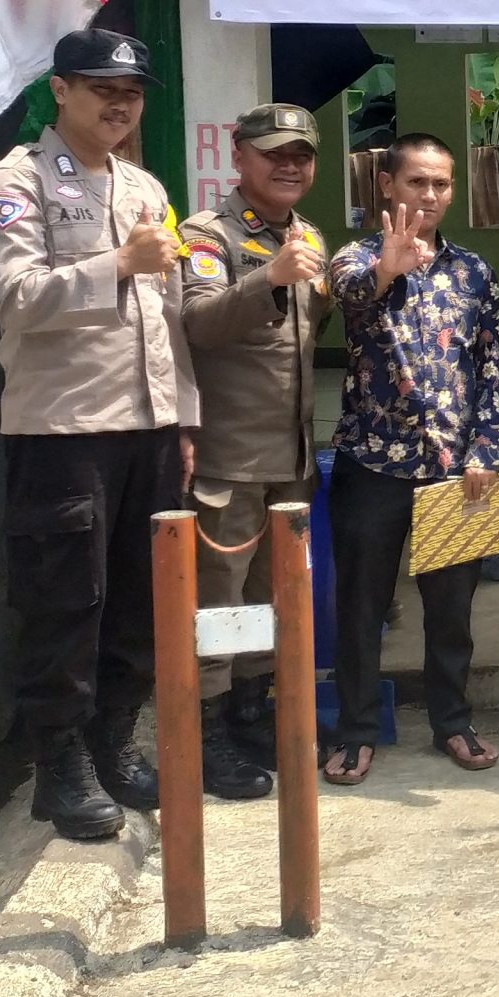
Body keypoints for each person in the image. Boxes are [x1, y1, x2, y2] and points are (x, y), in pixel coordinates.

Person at [0, 28, 194, 841]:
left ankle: (112, 745)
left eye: (131, 93)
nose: (119, 105)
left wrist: (183, 419)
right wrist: (117, 265)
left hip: (149, 428)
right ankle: (59, 767)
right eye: (102, 89)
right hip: (65, 432)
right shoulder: (14, 184)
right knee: (66, 603)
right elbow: (16, 297)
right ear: (60, 90)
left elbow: (168, 316)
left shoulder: (143, 187)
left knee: (140, 598)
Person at [323, 133, 499, 784]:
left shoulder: (473, 271)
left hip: (454, 471)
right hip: (372, 464)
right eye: (416, 182)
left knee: (452, 611)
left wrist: (488, 449)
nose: (429, 195)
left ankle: (453, 722)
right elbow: (350, 298)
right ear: (387, 186)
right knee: (361, 608)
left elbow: (492, 366)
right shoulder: (356, 258)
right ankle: (355, 732)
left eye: (441, 184)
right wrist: (388, 269)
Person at [178, 102, 333, 798]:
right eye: (274, 154)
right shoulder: (207, 235)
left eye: (301, 155)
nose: (289, 165)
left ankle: (250, 715)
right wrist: (267, 279)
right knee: (218, 605)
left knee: (272, 601)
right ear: (239, 157)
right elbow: (197, 321)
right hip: (229, 462)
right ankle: (206, 736)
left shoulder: (309, 236)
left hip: (291, 461)